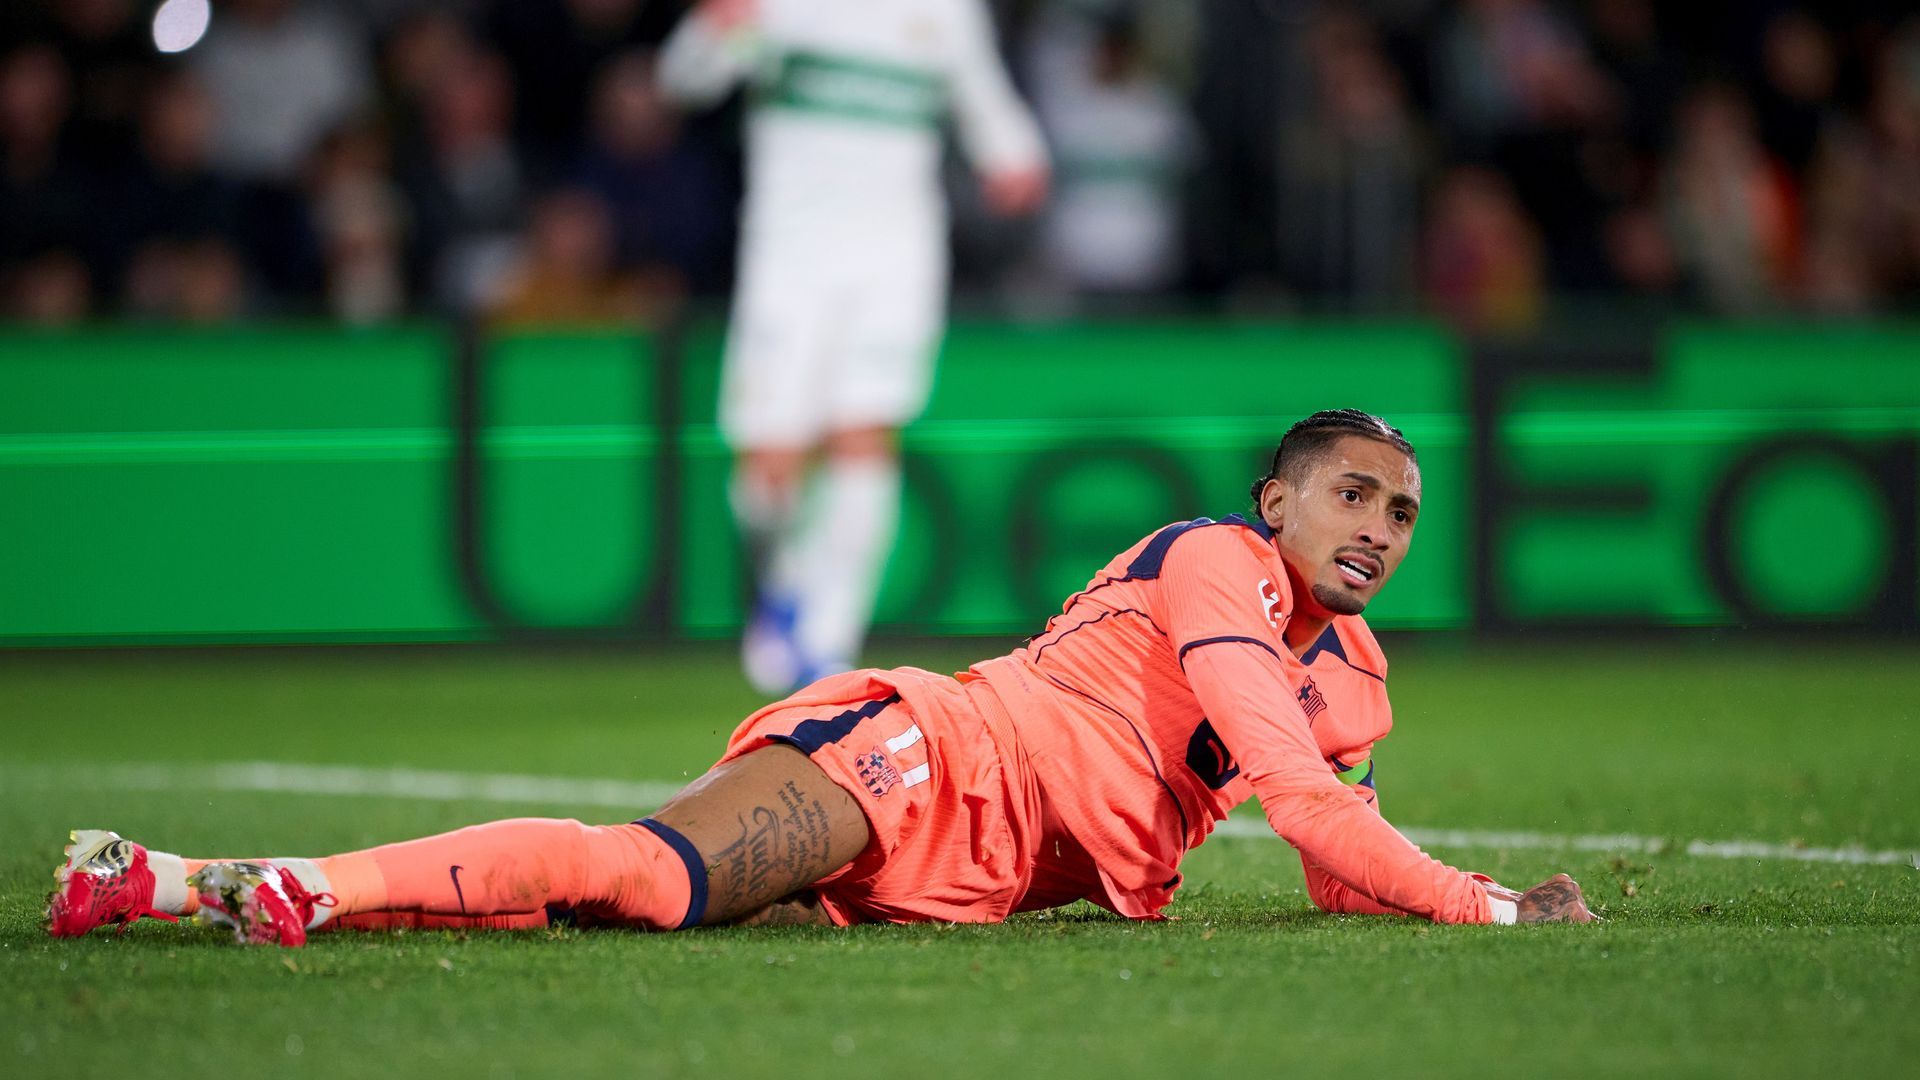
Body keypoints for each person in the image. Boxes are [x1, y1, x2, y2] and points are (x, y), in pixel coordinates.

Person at [47, 410, 1598, 946]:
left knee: (612, 905)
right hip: (937, 757)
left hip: (981, 875)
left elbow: (1342, 873)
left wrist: (1440, 894)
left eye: (1402, 513)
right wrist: (1498, 906)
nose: (1378, 530)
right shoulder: (1216, 565)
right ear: (1278, 502)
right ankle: (240, 883)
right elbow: (1304, 807)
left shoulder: (1359, 674)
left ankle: (187, 887)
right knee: (649, 878)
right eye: (1351, 497)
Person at [656, 0, 1050, 694]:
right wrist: (713, 29)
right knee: (767, 466)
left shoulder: (946, 12)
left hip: (898, 255)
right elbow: (684, 82)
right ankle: (788, 586)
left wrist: (1016, 158)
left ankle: (827, 642)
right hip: (789, 255)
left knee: (863, 436)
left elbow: (987, 103)